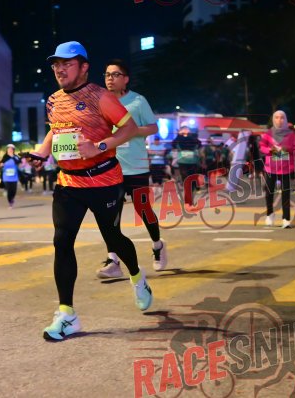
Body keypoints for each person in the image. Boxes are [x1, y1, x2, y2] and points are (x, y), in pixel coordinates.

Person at [28, 41, 153, 341]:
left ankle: (137, 276)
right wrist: (42, 152)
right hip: (69, 182)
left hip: (104, 180)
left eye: (67, 63)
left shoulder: (102, 97)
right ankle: (67, 315)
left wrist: (99, 146)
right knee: (62, 242)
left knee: (113, 238)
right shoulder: (53, 100)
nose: (59, 69)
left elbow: (129, 129)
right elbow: (57, 129)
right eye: (56, 64)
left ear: (84, 67)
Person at [97, 59, 167, 278]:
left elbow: (153, 127)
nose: (110, 78)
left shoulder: (137, 101)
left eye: (115, 74)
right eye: (107, 74)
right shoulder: (101, 102)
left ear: (125, 79)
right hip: (110, 167)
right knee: (111, 216)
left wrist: (131, 131)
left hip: (136, 167)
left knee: (143, 210)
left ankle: (157, 245)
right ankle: (113, 260)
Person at [259, 110, 295, 228]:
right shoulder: (268, 133)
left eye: (282, 117)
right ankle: (270, 214)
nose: (279, 120)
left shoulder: (291, 134)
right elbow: (262, 146)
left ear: (285, 119)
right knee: (269, 193)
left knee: (286, 194)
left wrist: (287, 149)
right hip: (270, 168)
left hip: (285, 168)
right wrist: (270, 150)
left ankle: (286, 219)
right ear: (273, 119)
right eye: (277, 117)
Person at [171, 125, 203, 206]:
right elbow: (199, 144)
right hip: (188, 161)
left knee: (188, 179)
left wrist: (180, 135)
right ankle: (189, 198)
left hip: (187, 161)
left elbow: (173, 144)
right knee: (188, 179)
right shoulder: (185, 138)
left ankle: (189, 198)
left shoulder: (185, 138)